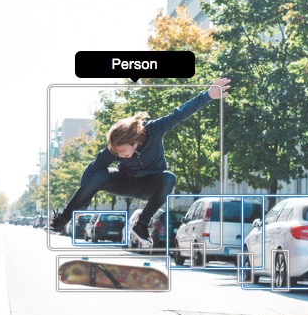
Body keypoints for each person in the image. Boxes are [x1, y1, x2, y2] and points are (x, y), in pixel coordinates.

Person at [49, 77, 230, 244]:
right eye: (117, 154)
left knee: (169, 177)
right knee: (99, 174)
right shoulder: (114, 149)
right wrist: (84, 200)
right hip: (125, 182)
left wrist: (207, 95)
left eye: (123, 152)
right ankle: (63, 217)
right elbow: (91, 171)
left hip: (149, 186)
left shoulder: (154, 130)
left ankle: (141, 225)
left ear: (133, 141)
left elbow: (179, 114)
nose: (119, 156)